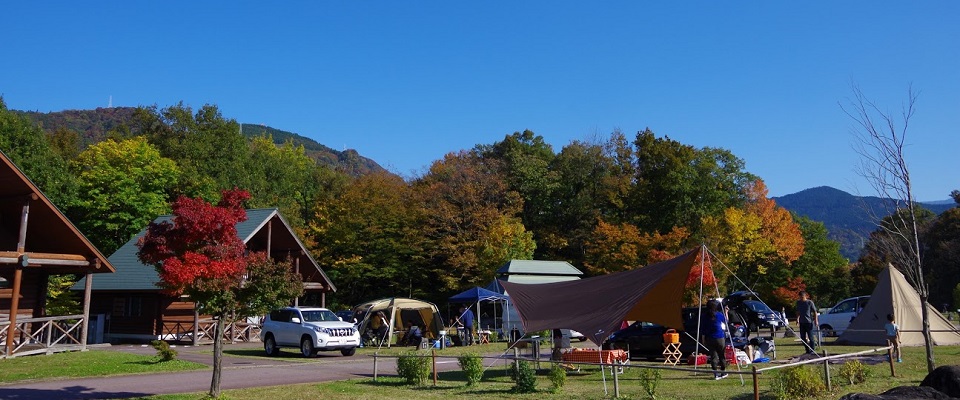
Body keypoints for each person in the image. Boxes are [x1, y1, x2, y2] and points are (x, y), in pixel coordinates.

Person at [701, 300, 728, 380]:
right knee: (721, 355)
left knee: (713, 356)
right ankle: (723, 371)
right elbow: (726, 321)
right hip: (720, 337)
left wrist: (703, 339)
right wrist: (726, 312)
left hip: (710, 338)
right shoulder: (719, 315)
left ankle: (715, 374)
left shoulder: (704, 316)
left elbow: (703, 328)